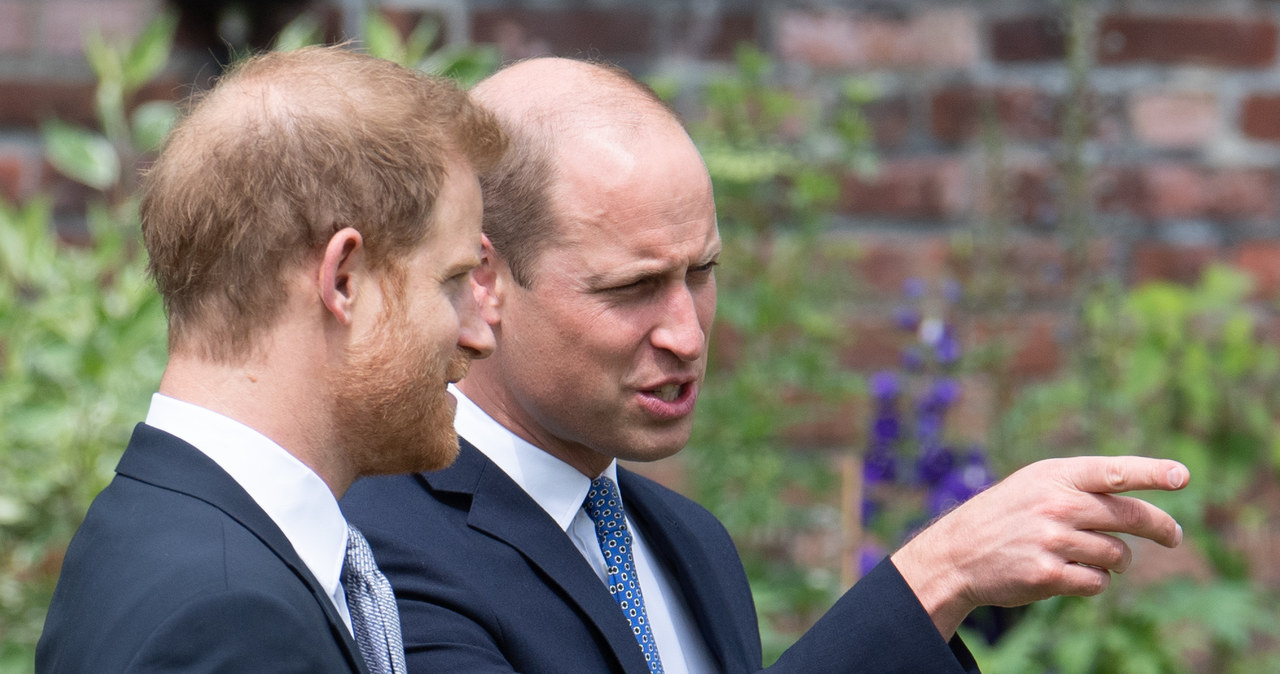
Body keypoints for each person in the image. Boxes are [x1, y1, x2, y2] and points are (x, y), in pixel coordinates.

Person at [341, 57, 1189, 673]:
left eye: (700, 274)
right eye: (633, 288)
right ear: (484, 280)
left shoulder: (686, 543)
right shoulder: (383, 543)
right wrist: (936, 577)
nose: (686, 332)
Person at [36, 45, 505, 673]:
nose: (480, 334)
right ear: (344, 280)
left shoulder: (158, 528)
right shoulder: (231, 621)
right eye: (451, 282)